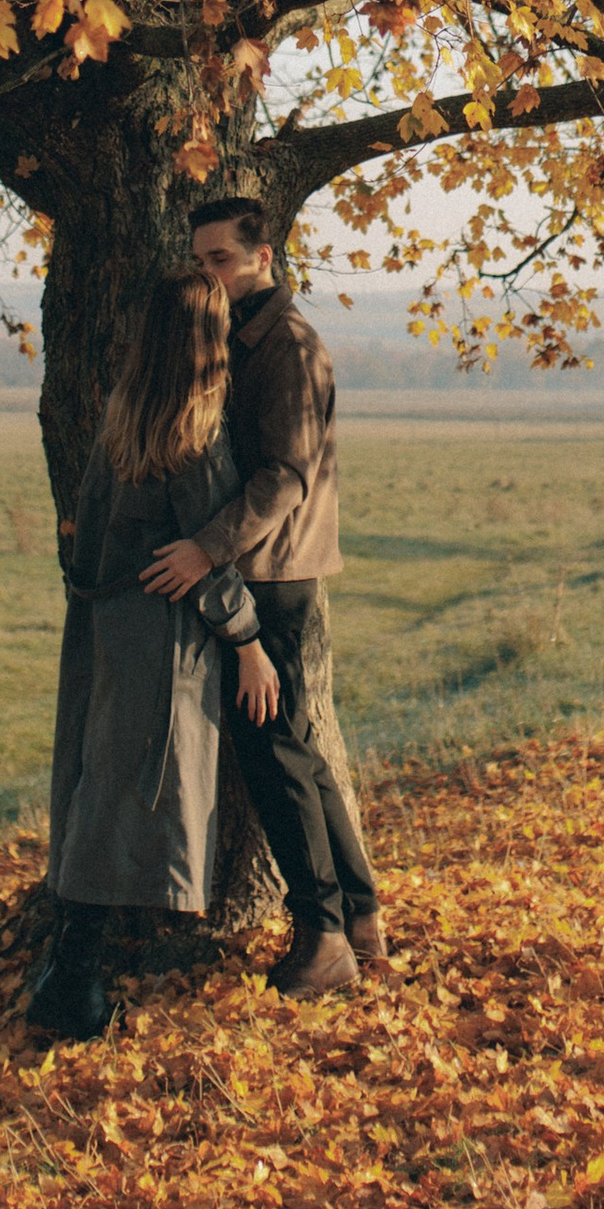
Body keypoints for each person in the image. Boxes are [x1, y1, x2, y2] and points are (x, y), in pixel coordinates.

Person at [141, 195, 388, 1001]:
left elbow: (285, 476)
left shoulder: (285, 345)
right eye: (200, 260)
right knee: (297, 749)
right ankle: (359, 918)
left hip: (271, 575)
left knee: (275, 757)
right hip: (266, 569)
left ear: (263, 257)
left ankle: (322, 938)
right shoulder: (244, 336)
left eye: (221, 259)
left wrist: (206, 547)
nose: (209, 274)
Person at [29, 268, 281, 1043]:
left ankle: (69, 972)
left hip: (104, 631)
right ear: (207, 340)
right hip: (161, 643)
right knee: (127, 799)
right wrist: (248, 641)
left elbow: (94, 533)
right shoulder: (192, 431)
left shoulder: (124, 411)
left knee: (100, 787)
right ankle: (72, 982)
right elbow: (208, 561)